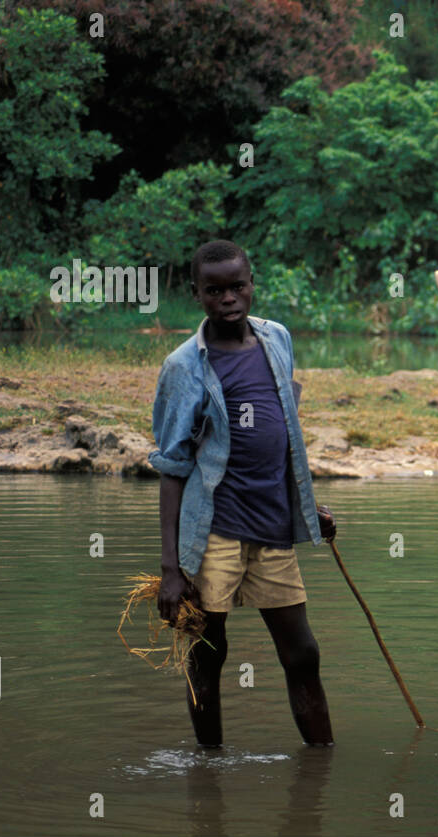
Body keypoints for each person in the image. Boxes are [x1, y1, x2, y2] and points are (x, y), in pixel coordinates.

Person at [149, 239, 336, 746]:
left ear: (252, 285)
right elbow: (171, 469)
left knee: (303, 653)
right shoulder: (183, 366)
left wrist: (306, 507)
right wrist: (171, 569)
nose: (228, 297)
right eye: (215, 290)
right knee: (209, 653)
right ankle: (209, 769)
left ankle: (322, 760)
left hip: (274, 526)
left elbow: (284, 431)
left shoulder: (277, 339)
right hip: (215, 533)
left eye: (237, 286)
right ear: (197, 295)